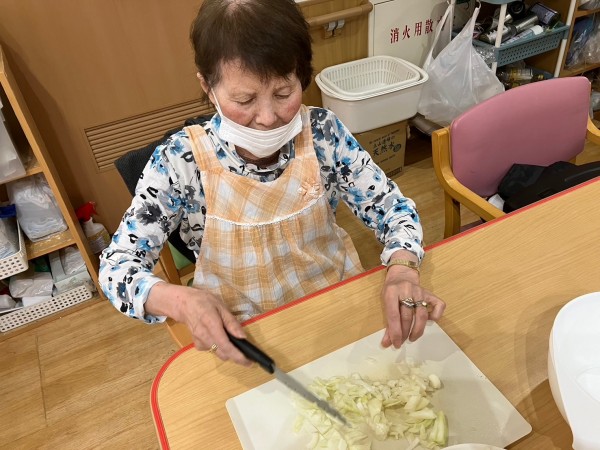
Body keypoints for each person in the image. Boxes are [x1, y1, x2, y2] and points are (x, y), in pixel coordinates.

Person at [99, 0, 445, 367]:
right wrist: (181, 302)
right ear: (208, 86)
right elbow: (117, 267)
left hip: (335, 306)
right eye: (244, 99)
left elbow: (393, 209)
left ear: (302, 77)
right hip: (244, 337)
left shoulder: (323, 133)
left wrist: (402, 268)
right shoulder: (179, 162)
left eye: (283, 93)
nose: (267, 118)